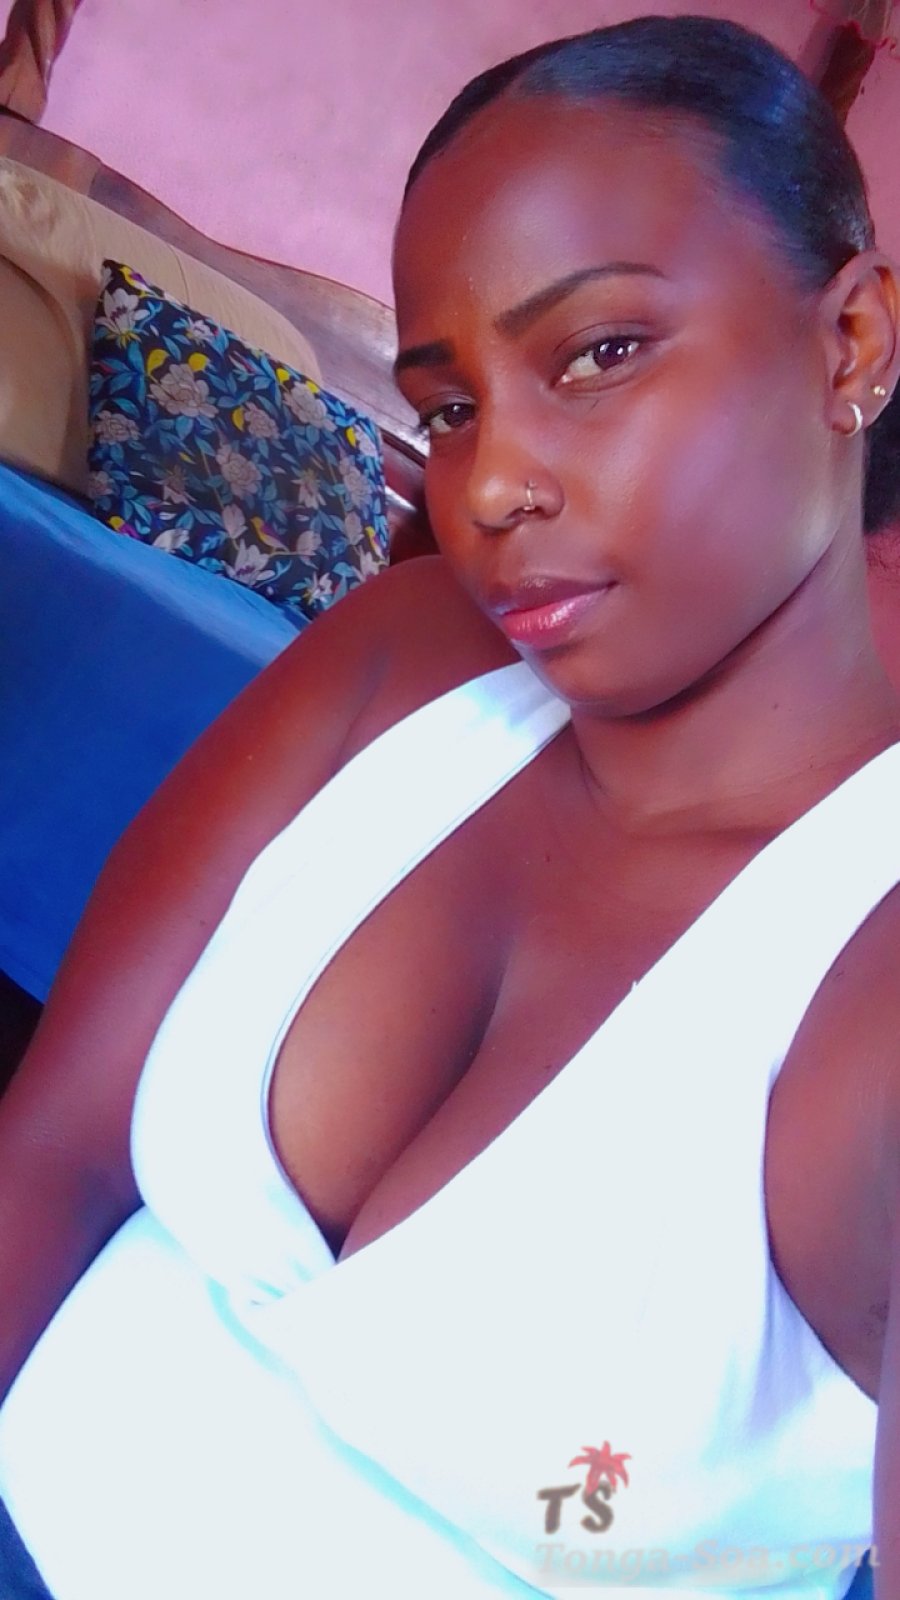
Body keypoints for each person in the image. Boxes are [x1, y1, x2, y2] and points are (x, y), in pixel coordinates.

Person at [1, 15, 900, 1598]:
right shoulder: (408, 658)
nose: (486, 489)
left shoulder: (861, 984)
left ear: (852, 344)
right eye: (452, 407)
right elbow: (57, 1152)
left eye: (599, 354)